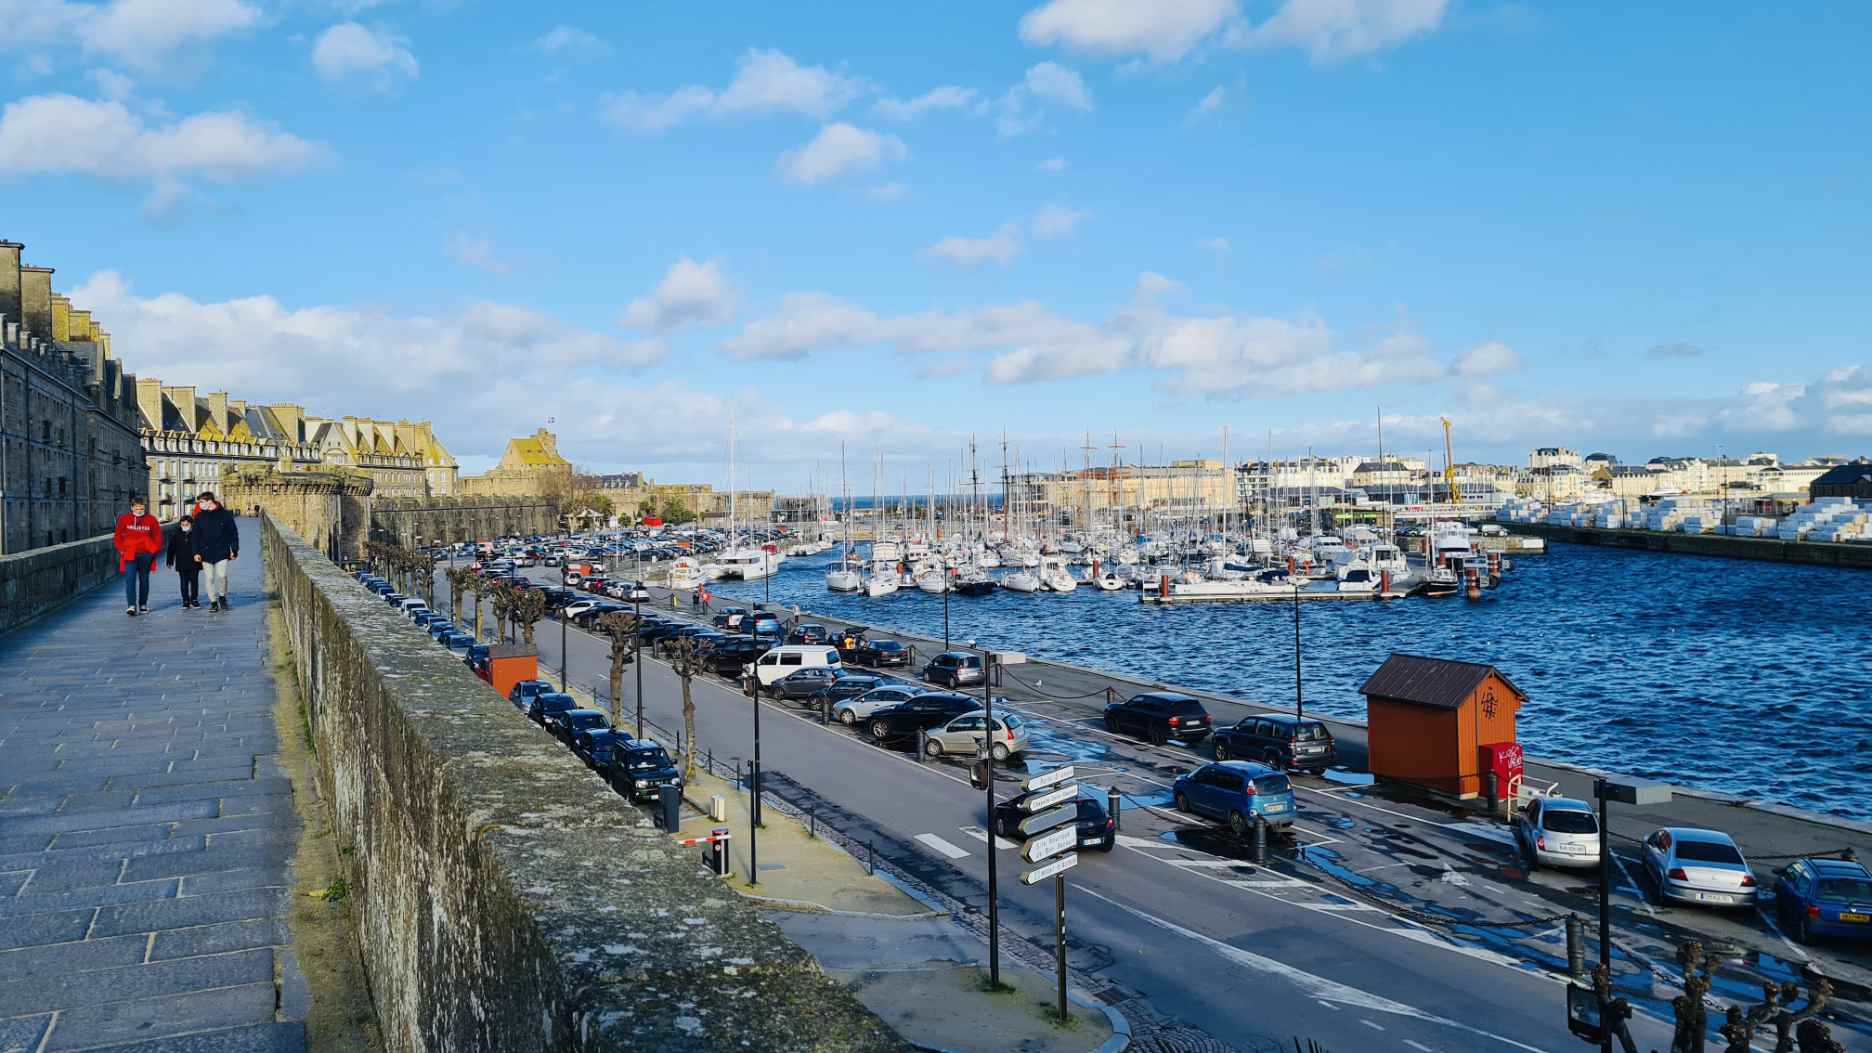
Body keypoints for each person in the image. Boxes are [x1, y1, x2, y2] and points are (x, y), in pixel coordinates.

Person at [191, 491, 240, 612]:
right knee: (209, 578)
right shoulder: (199, 517)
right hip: (205, 552)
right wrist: (196, 552)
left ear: (209, 501)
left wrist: (234, 549)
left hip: (222, 550)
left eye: (201, 502)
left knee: (222, 575)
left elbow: (233, 533)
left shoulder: (225, 515)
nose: (199, 505)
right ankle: (213, 602)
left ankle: (222, 597)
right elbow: (195, 536)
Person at [113, 497, 163, 616]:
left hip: (146, 554)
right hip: (130, 554)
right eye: (137, 507)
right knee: (130, 579)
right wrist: (121, 550)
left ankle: (143, 605)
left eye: (141, 508)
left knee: (144, 580)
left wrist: (153, 552)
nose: (139, 510)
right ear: (132, 507)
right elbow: (118, 536)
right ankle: (131, 605)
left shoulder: (151, 520)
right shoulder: (125, 519)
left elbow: (158, 537)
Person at [166, 514, 202, 609]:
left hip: (194, 562)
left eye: (187, 524)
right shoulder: (176, 534)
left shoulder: (196, 533)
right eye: (182, 524)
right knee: (183, 583)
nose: (184, 526)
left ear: (191, 524)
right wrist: (169, 561)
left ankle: (194, 599)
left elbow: (201, 546)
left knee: (194, 582)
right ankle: (185, 600)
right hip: (181, 562)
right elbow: (171, 548)